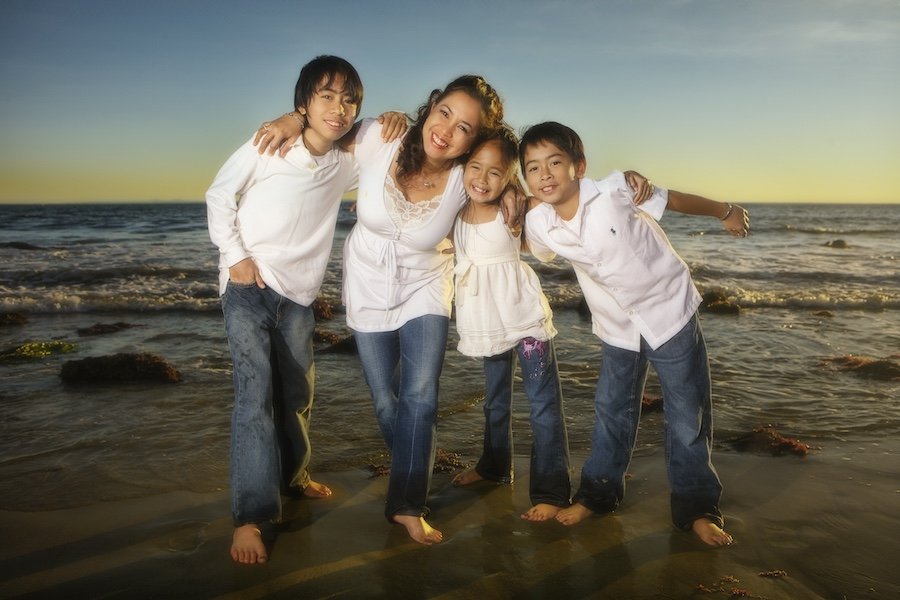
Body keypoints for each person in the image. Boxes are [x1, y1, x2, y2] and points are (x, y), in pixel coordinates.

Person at [256, 75, 509, 545]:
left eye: (465, 129)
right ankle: (417, 461)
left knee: (420, 396)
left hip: (428, 288)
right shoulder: (381, 137)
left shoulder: (463, 177)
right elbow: (329, 124)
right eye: (445, 113)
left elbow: (502, 180)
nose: (447, 130)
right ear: (431, 106)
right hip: (368, 288)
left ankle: (408, 505)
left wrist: (510, 190)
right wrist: (292, 118)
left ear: (476, 140)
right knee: (386, 401)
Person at [206, 55, 405, 565]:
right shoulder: (269, 143)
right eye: (326, 97)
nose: (339, 109)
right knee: (255, 397)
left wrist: (396, 118)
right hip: (247, 288)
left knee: (296, 394)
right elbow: (219, 194)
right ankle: (251, 515)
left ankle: (294, 480)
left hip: (298, 298)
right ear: (303, 103)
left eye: (349, 99)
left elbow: (384, 142)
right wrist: (236, 259)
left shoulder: (347, 160)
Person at [519, 121, 750, 547]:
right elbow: (525, 242)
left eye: (555, 162)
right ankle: (597, 496)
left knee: (687, 415)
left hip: (669, 312)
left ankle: (697, 510)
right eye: (533, 168)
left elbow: (674, 199)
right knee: (611, 411)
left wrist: (725, 210)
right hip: (617, 327)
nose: (546, 174)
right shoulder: (539, 223)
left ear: (579, 166)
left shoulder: (614, 190)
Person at [447, 126, 572, 522]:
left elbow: (548, 246)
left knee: (542, 405)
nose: (482, 179)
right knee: (495, 401)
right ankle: (494, 466)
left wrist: (530, 207)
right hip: (484, 318)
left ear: (510, 176)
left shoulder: (515, 207)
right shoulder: (455, 209)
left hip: (523, 319)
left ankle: (552, 491)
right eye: (475, 167)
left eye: (495, 172)